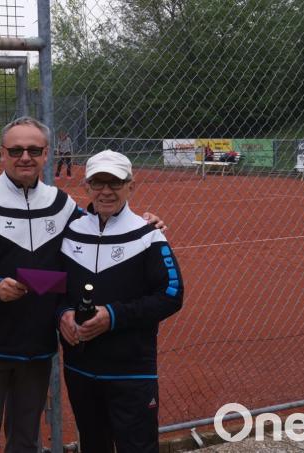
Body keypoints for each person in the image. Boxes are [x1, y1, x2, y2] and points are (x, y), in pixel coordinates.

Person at [0, 117, 165, 453]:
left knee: (26, 438)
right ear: (2, 154)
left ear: (47, 154)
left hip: (37, 347)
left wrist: (144, 221)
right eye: (16, 150)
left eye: (34, 149)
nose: (25, 157)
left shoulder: (62, 205)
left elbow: (100, 224)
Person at [57, 150, 184, 453]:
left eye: (115, 183)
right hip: (80, 369)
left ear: (131, 186)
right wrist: (62, 313)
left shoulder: (148, 236)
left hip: (131, 372)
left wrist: (114, 316)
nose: (106, 191)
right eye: (98, 183)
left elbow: (171, 294)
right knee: (93, 444)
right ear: (86, 187)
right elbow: (54, 286)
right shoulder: (70, 232)